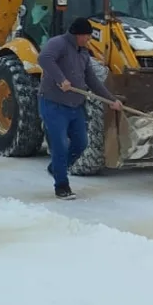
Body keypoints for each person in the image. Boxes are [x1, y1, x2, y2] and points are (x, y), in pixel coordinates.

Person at [37, 17, 123, 199]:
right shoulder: (58, 43)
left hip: (75, 106)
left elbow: (92, 80)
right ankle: (62, 186)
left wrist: (111, 100)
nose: (88, 39)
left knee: (81, 143)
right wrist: (61, 80)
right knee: (60, 145)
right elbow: (44, 58)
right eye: (86, 36)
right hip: (54, 104)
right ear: (77, 34)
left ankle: (56, 168)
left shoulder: (84, 53)